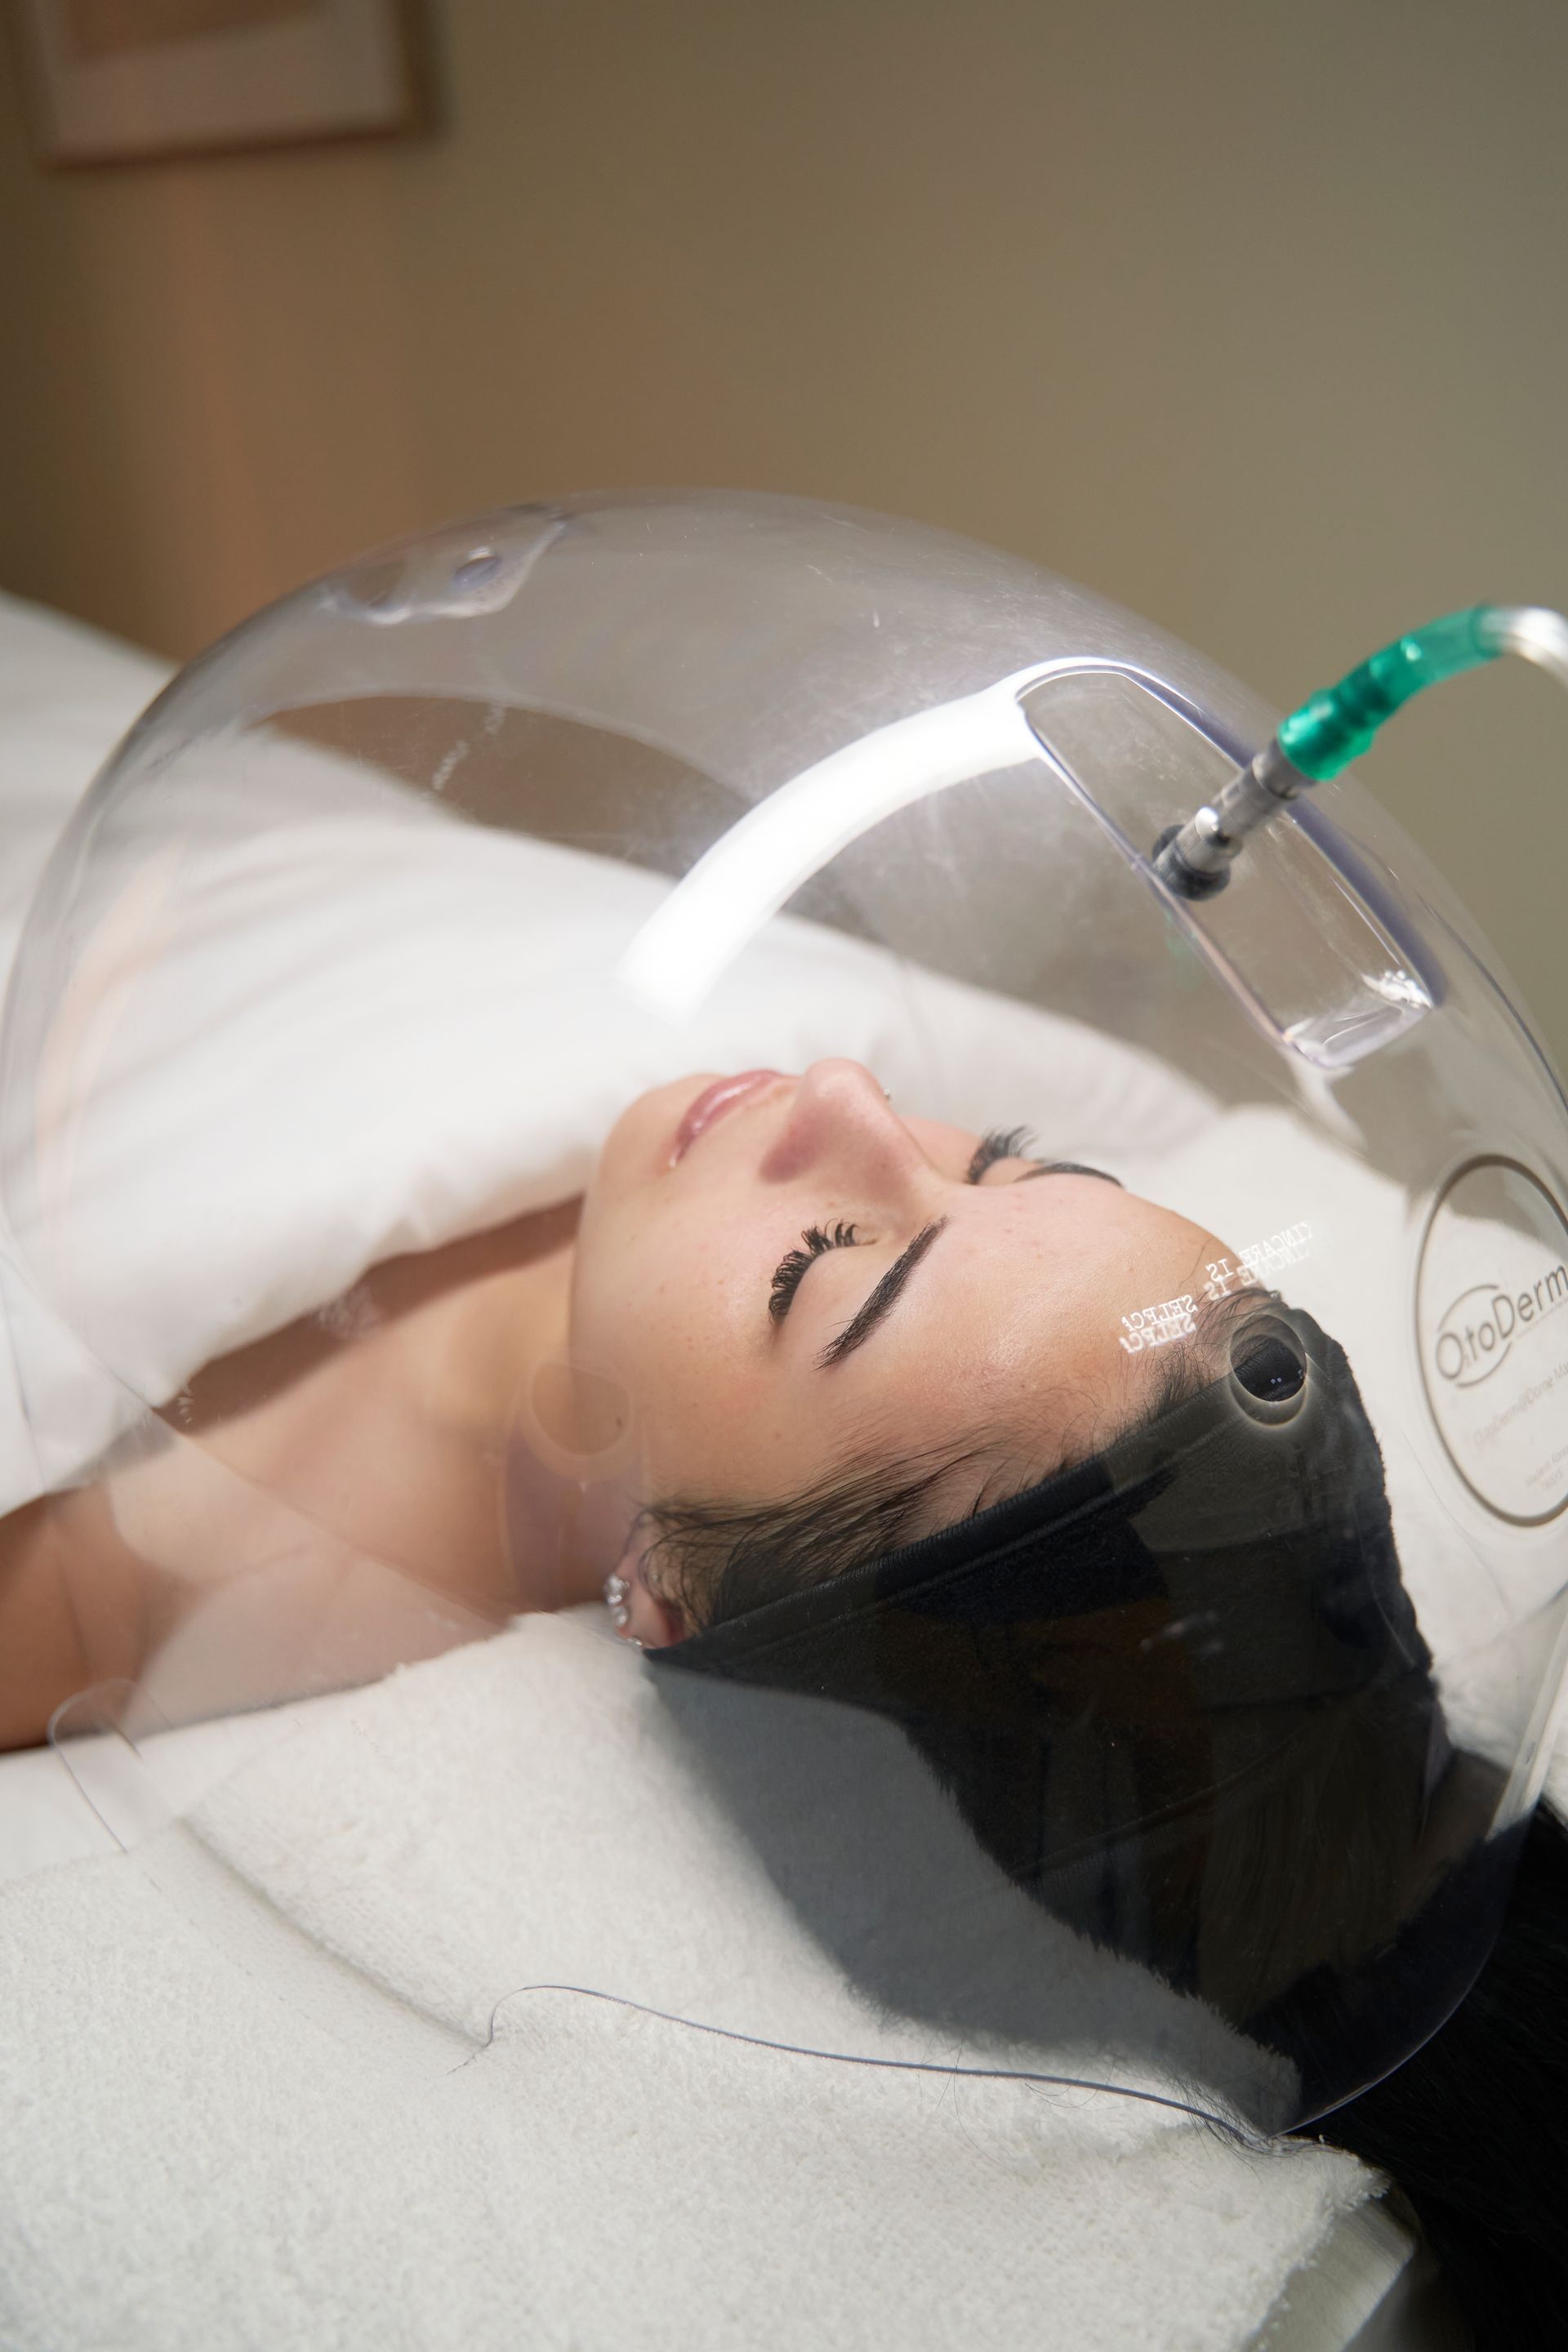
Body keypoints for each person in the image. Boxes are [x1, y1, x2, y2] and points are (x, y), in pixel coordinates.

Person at [1, 1058, 1562, 2346]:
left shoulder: (208, 1551)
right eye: (1008, 1163)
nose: (850, 1096)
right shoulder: (812, 1121)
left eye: (820, 1272)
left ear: (669, 1596)